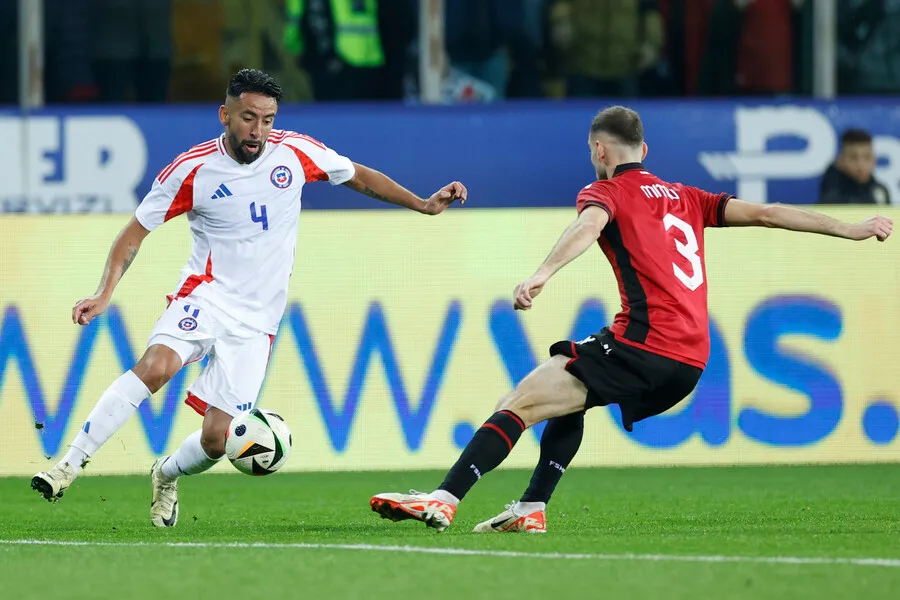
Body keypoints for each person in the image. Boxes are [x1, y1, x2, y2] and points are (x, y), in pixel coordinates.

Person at [369, 105, 893, 533]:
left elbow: (589, 227)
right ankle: (531, 508)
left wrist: (543, 273)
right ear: (645, 151)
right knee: (569, 378)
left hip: (646, 345)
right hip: (690, 360)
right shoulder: (691, 197)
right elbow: (769, 212)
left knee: (520, 402)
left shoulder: (606, 191)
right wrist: (852, 228)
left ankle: (443, 498)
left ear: (599, 150)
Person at [31, 68, 467, 528]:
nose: (257, 130)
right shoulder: (192, 170)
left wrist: (421, 203)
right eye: (247, 117)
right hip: (206, 297)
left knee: (218, 441)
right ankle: (69, 465)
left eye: (267, 119)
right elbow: (135, 232)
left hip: (258, 321)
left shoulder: (296, 153)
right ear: (225, 115)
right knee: (157, 366)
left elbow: (358, 176)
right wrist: (104, 293)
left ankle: (166, 473)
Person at [819, 129, 890, 205]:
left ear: (874, 160)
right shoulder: (831, 196)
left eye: (867, 157)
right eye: (853, 157)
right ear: (840, 161)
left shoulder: (881, 192)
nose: (860, 164)